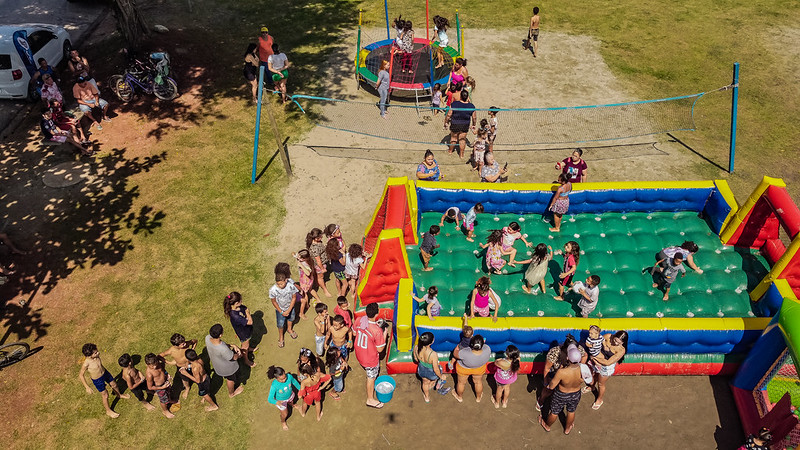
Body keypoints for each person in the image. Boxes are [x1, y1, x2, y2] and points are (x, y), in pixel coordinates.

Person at [539, 343, 583, 434]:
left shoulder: (562, 372)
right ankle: (567, 429)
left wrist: (548, 384)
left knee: (554, 412)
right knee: (571, 411)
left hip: (561, 394)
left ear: (567, 358)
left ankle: (547, 426)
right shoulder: (584, 369)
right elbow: (590, 380)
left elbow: (552, 386)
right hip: (576, 393)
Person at [78, 343, 129, 418]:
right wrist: (87, 387)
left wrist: (96, 354)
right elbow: (81, 375)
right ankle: (108, 411)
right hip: (97, 380)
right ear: (89, 356)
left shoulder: (96, 356)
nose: (98, 352)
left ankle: (119, 395)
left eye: (97, 351)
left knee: (114, 384)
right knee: (105, 395)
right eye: (95, 353)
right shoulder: (86, 364)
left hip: (105, 373)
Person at [354, 302, 389, 408]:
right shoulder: (377, 330)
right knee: (371, 378)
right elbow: (380, 349)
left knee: (369, 372)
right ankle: (370, 399)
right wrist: (384, 334)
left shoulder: (359, 320)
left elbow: (355, 333)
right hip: (369, 358)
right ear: (377, 313)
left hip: (359, 353)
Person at [586, 330, 628, 410]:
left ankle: (599, 400)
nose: (615, 343)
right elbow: (597, 341)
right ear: (614, 336)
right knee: (595, 375)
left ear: (622, 343)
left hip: (606, 366)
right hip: (598, 359)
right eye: (615, 340)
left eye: (618, 342)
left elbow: (607, 363)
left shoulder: (621, 350)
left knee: (601, 384)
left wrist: (594, 358)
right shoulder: (608, 336)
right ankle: (592, 387)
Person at [205, 323, 245, 398]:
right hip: (226, 369)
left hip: (217, 364)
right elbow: (233, 357)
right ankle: (231, 394)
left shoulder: (207, 338)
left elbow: (222, 344)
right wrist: (238, 354)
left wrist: (232, 345)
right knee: (231, 379)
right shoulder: (223, 349)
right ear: (220, 335)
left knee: (231, 377)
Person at [452, 334, 491, 403]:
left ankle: (460, 397)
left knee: (461, 383)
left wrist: (457, 347)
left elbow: (455, 354)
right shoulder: (487, 349)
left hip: (463, 369)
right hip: (478, 369)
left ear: (471, 344)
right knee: (478, 382)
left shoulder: (464, 352)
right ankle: (478, 398)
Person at [413, 332, 450, 402]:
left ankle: (427, 397)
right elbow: (436, 369)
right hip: (431, 373)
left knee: (425, 383)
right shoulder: (433, 354)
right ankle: (432, 383)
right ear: (432, 342)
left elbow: (416, 359)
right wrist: (441, 376)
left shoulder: (416, 347)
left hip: (421, 370)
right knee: (437, 373)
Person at [159, 333, 198, 399]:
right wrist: (169, 362)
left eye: (184, 342)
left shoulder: (187, 343)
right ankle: (187, 388)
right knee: (184, 379)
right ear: (175, 345)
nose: (185, 344)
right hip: (181, 367)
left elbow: (195, 341)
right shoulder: (171, 351)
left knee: (196, 373)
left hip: (191, 364)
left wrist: (192, 350)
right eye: (182, 344)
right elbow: (160, 356)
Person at [223, 292, 256, 367]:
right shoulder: (235, 316)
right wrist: (247, 313)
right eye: (241, 300)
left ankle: (248, 349)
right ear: (236, 303)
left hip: (246, 329)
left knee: (247, 343)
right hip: (243, 333)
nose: (242, 301)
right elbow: (250, 322)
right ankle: (246, 360)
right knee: (245, 346)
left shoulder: (238, 307)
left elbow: (245, 308)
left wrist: (246, 311)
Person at [444, 90, 477, 158]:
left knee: (453, 138)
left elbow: (449, 115)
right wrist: (474, 125)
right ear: (467, 97)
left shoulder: (454, 104)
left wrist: (446, 122)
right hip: (465, 125)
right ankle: (461, 155)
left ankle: (450, 151)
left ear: (460, 97)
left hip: (455, 124)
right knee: (462, 140)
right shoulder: (471, 106)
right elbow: (474, 117)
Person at [270, 272, 299, 347]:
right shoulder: (273, 290)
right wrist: (281, 312)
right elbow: (274, 301)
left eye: (281, 284)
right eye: (278, 284)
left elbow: (294, 298)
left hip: (290, 308)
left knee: (291, 318)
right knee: (280, 324)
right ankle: (281, 336)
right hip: (280, 310)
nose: (279, 286)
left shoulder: (291, 286)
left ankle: (289, 329)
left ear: (286, 280)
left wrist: (289, 310)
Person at [144, 353, 178, 418]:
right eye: (152, 366)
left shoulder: (158, 363)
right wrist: (162, 387)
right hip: (159, 387)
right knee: (163, 401)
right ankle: (165, 411)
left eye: (155, 364)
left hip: (165, 382)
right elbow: (150, 387)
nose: (155, 367)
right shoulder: (149, 374)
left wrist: (167, 374)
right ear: (147, 364)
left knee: (168, 392)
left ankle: (169, 400)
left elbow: (162, 369)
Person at [267, 365, 301, 430]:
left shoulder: (289, 376)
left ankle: (292, 404)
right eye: (281, 379)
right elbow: (270, 399)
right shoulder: (274, 385)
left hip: (290, 396)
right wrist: (277, 402)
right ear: (276, 378)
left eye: (285, 377)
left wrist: (300, 389)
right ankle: (283, 421)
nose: (284, 380)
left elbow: (294, 382)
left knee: (291, 401)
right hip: (281, 401)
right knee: (285, 414)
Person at [492, 344, 521, 409]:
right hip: (510, 378)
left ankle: (497, 403)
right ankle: (504, 402)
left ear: (507, 354)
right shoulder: (517, 360)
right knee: (507, 388)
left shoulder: (502, 362)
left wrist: (500, 359)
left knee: (499, 389)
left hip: (501, 379)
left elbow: (495, 362)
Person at [294, 249, 320, 315]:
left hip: (305, 281)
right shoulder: (308, 260)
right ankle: (318, 299)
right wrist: (296, 256)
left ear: (304, 258)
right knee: (310, 289)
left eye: (300, 257)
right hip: (309, 280)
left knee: (305, 293)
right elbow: (295, 254)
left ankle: (306, 305)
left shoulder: (305, 264)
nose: (298, 258)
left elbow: (308, 273)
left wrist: (301, 265)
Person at [307, 228, 331, 297]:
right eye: (320, 236)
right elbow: (318, 260)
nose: (322, 237)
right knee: (320, 277)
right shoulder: (314, 248)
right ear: (316, 238)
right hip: (319, 265)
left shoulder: (318, 242)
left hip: (323, 262)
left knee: (320, 276)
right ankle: (325, 290)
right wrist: (322, 268)